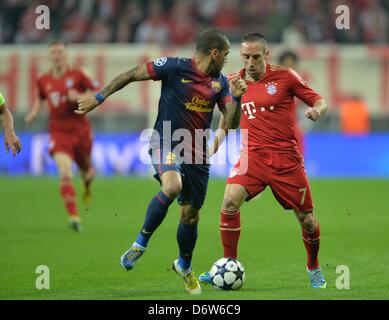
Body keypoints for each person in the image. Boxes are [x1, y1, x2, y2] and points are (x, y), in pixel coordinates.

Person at [76, 28, 247, 294]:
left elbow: (233, 124)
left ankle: (184, 266)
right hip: (164, 141)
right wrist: (100, 97)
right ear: (213, 53)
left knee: (190, 217)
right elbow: (131, 74)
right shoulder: (174, 67)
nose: (227, 59)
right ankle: (139, 244)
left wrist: (236, 97)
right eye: (225, 55)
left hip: (198, 155)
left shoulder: (221, 82)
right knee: (172, 186)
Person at [199, 33, 328, 288]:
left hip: (286, 160)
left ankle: (313, 266)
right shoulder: (233, 81)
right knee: (229, 202)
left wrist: (317, 111)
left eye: (255, 57)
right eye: (245, 57)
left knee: (308, 220)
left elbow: (319, 100)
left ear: (266, 55)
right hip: (252, 157)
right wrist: (214, 145)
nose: (250, 62)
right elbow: (227, 122)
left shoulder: (285, 76)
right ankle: (228, 264)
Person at [25, 40, 100, 232]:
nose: (57, 55)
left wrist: (82, 98)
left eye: (60, 52)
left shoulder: (79, 74)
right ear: (50, 56)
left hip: (81, 130)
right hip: (59, 132)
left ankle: (87, 181)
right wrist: (34, 112)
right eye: (54, 52)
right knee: (65, 172)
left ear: (66, 54)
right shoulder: (43, 79)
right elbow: (40, 97)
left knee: (86, 171)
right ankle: (74, 216)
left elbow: (98, 90)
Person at [278, 50, 305, 155]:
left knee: (297, 164)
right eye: (286, 65)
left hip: (294, 132)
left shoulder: (300, 85)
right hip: (276, 132)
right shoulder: (271, 85)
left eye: (292, 65)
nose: (290, 68)